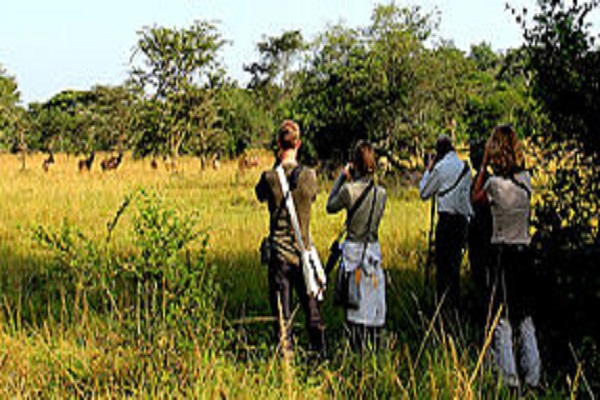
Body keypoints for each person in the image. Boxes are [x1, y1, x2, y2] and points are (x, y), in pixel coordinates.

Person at [472, 125, 541, 389]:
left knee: (500, 319)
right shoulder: (526, 181)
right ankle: (533, 377)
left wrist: (482, 166)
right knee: (524, 317)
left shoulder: (494, 185)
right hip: (524, 253)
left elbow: (475, 198)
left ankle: (509, 377)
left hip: (502, 253)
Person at [255, 120, 326, 355]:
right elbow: (312, 198)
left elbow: (259, 194)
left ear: (278, 144)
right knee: (312, 312)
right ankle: (319, 354)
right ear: (299, 144)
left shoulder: (269, 177)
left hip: (279, 254)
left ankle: (286, 358)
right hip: (303, 254)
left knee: (282, 316)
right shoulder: (309, 176)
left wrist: (277, 163)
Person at [326, 141, 387, 352]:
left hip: (353, 250)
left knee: (353, 301)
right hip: (372, 249)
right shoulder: (382, 193)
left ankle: (355, 346)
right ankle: (374, 343)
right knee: (372, 299)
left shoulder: (349, 191)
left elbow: (330, 205)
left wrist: (342, 177)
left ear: (354, 165)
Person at [419, 134, 472, 308]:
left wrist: (428, 170)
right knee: (455, 267)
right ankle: (455, 305)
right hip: (463, 222)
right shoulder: (465, 167)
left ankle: (442, 307)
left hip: (447, 221)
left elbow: (424, 193)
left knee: (443, 269)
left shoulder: (440, 168)